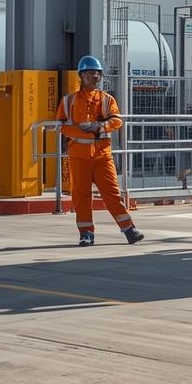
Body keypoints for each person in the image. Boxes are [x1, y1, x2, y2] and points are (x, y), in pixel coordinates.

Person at [57, 55, 144, 247]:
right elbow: (62, 125)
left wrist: (99, 126)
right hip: (79, 155)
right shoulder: (68, 101)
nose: (95, 76)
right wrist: (83, 131)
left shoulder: (107, 99)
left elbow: (117, 120)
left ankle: (129, 229)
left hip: (103, 156)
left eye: (98, 73)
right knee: (81, 195)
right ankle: (86, 233)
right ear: (81, 75)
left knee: (112, 193)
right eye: (90, 73)